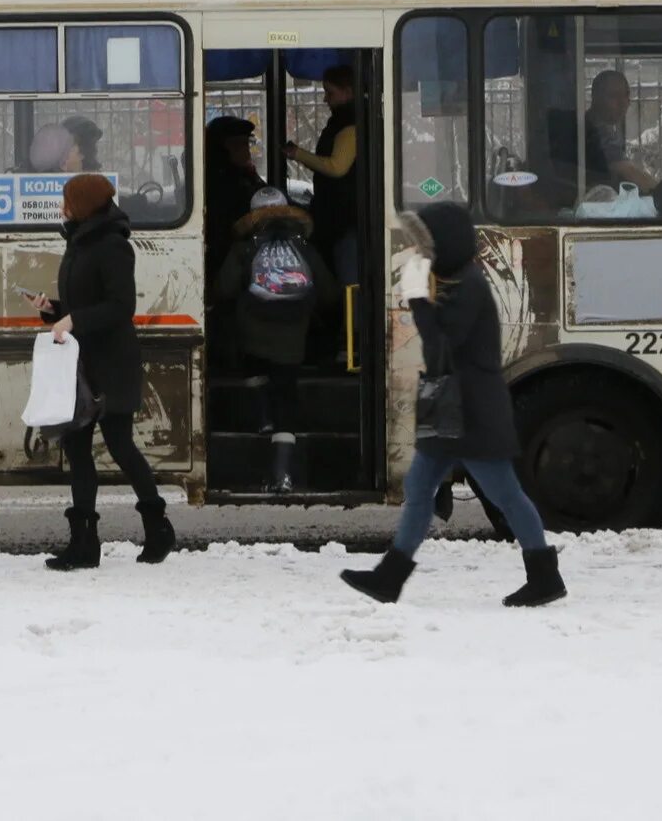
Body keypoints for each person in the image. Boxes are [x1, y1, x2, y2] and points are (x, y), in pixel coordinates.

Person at [338, 202, 566, 607]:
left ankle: (544, 575)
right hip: (451, 405)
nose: (422, 254)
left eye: (426, 246)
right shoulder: (461, 281)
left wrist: (416, 299)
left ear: (445, 245)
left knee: (505, 495)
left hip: (471, 411)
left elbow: (442, 346)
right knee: (420, 486)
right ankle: (390, 577)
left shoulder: (470, 287)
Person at [27, 174, 174, 570]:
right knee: (77, 450)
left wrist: (73, 319)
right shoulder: (78, 241)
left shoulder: (113, 246)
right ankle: (84, 546)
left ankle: (158, 528)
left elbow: (119, 306)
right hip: (82, 364)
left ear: (85, 204)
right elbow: (83, 303)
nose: (62, 207)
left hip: (111, 363)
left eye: (68, 200)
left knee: (121, 446)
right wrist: (53, 309)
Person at [216, 187, 337, 492]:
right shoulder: (305, 246)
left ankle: (261, 413)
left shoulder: (244, 248)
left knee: (252, 364)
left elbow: (224, 290)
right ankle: (282, 472)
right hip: (293, 340)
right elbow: (329, 293)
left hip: (252, 335)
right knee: (287, 395)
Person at [285, 63, 361, 283]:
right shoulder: (345, 120)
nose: (325, 99)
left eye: (330, 92)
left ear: (347, 92)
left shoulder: (349, 125)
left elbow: (336, 167)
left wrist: (297, 154)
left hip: (343, 216)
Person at [204, 115, 262, 281]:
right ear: (220, 151)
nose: (246, 150)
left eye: (246, 143)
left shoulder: (246, 176)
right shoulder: (219, 184)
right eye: (238, 145)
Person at [584, 69, 659, 193]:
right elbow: (629, 172)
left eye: (626, 95)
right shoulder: (596, 131)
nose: (623, 103)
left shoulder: (598, 125)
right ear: (595, 98)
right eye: (613, 96)